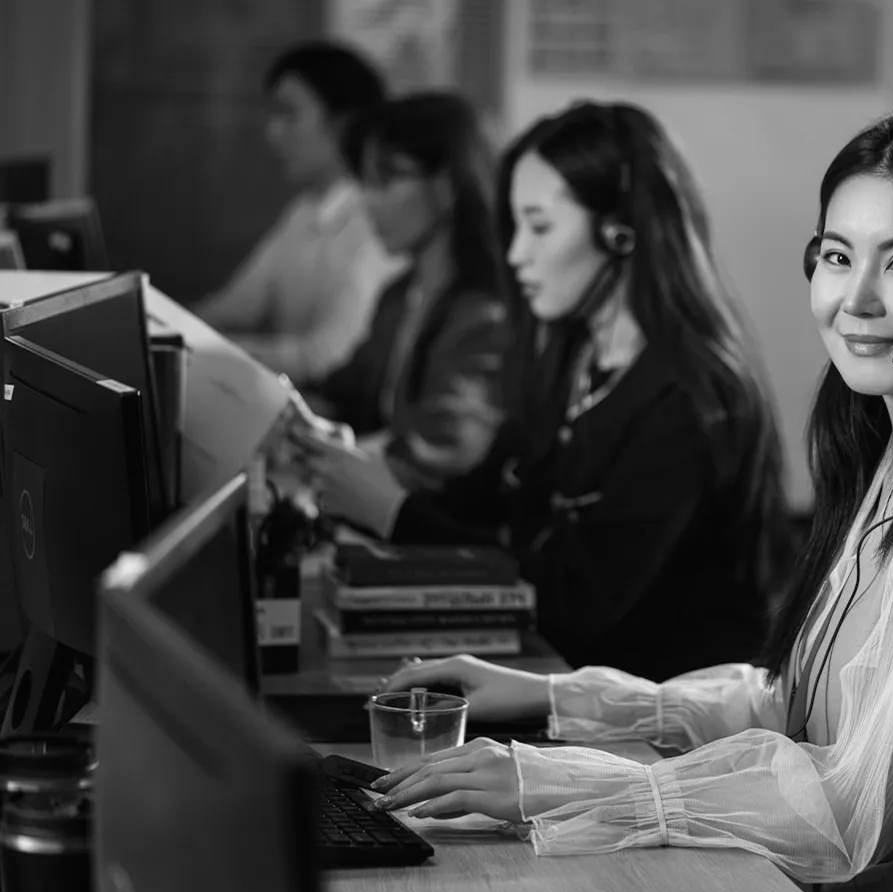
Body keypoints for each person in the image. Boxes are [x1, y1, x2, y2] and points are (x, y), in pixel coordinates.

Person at [368, 108, 893, 892]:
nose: (854, 299)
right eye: (839, 255)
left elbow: (847, 808)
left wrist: (559, 783)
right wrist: (554, 696)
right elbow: (793, 704)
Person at [304, 101, 790, 680]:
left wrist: (393, 510)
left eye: (539, 227)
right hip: (575, 683)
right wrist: (362, 484)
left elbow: (578, 602)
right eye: (515, 228)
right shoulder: (572, 354)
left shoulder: (694, 396)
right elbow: (486, 495)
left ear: (620, 232)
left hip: (667, 723)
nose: (515, 255)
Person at [293, 93, 508, 492]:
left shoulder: (485, 313)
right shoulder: (400, 295)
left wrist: (331, 455)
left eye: (385, 181)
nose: (367, 202)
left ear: (447, 185)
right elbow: (344, 394)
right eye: (364, 183)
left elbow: (444, 449)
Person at [197, 41, 404, 386]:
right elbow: (239, 305)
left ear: (344, 125)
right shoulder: (304, 212)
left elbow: (328, 357)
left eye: (289, 114)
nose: (273, 133)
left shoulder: (379, 224)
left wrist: (206, 349)